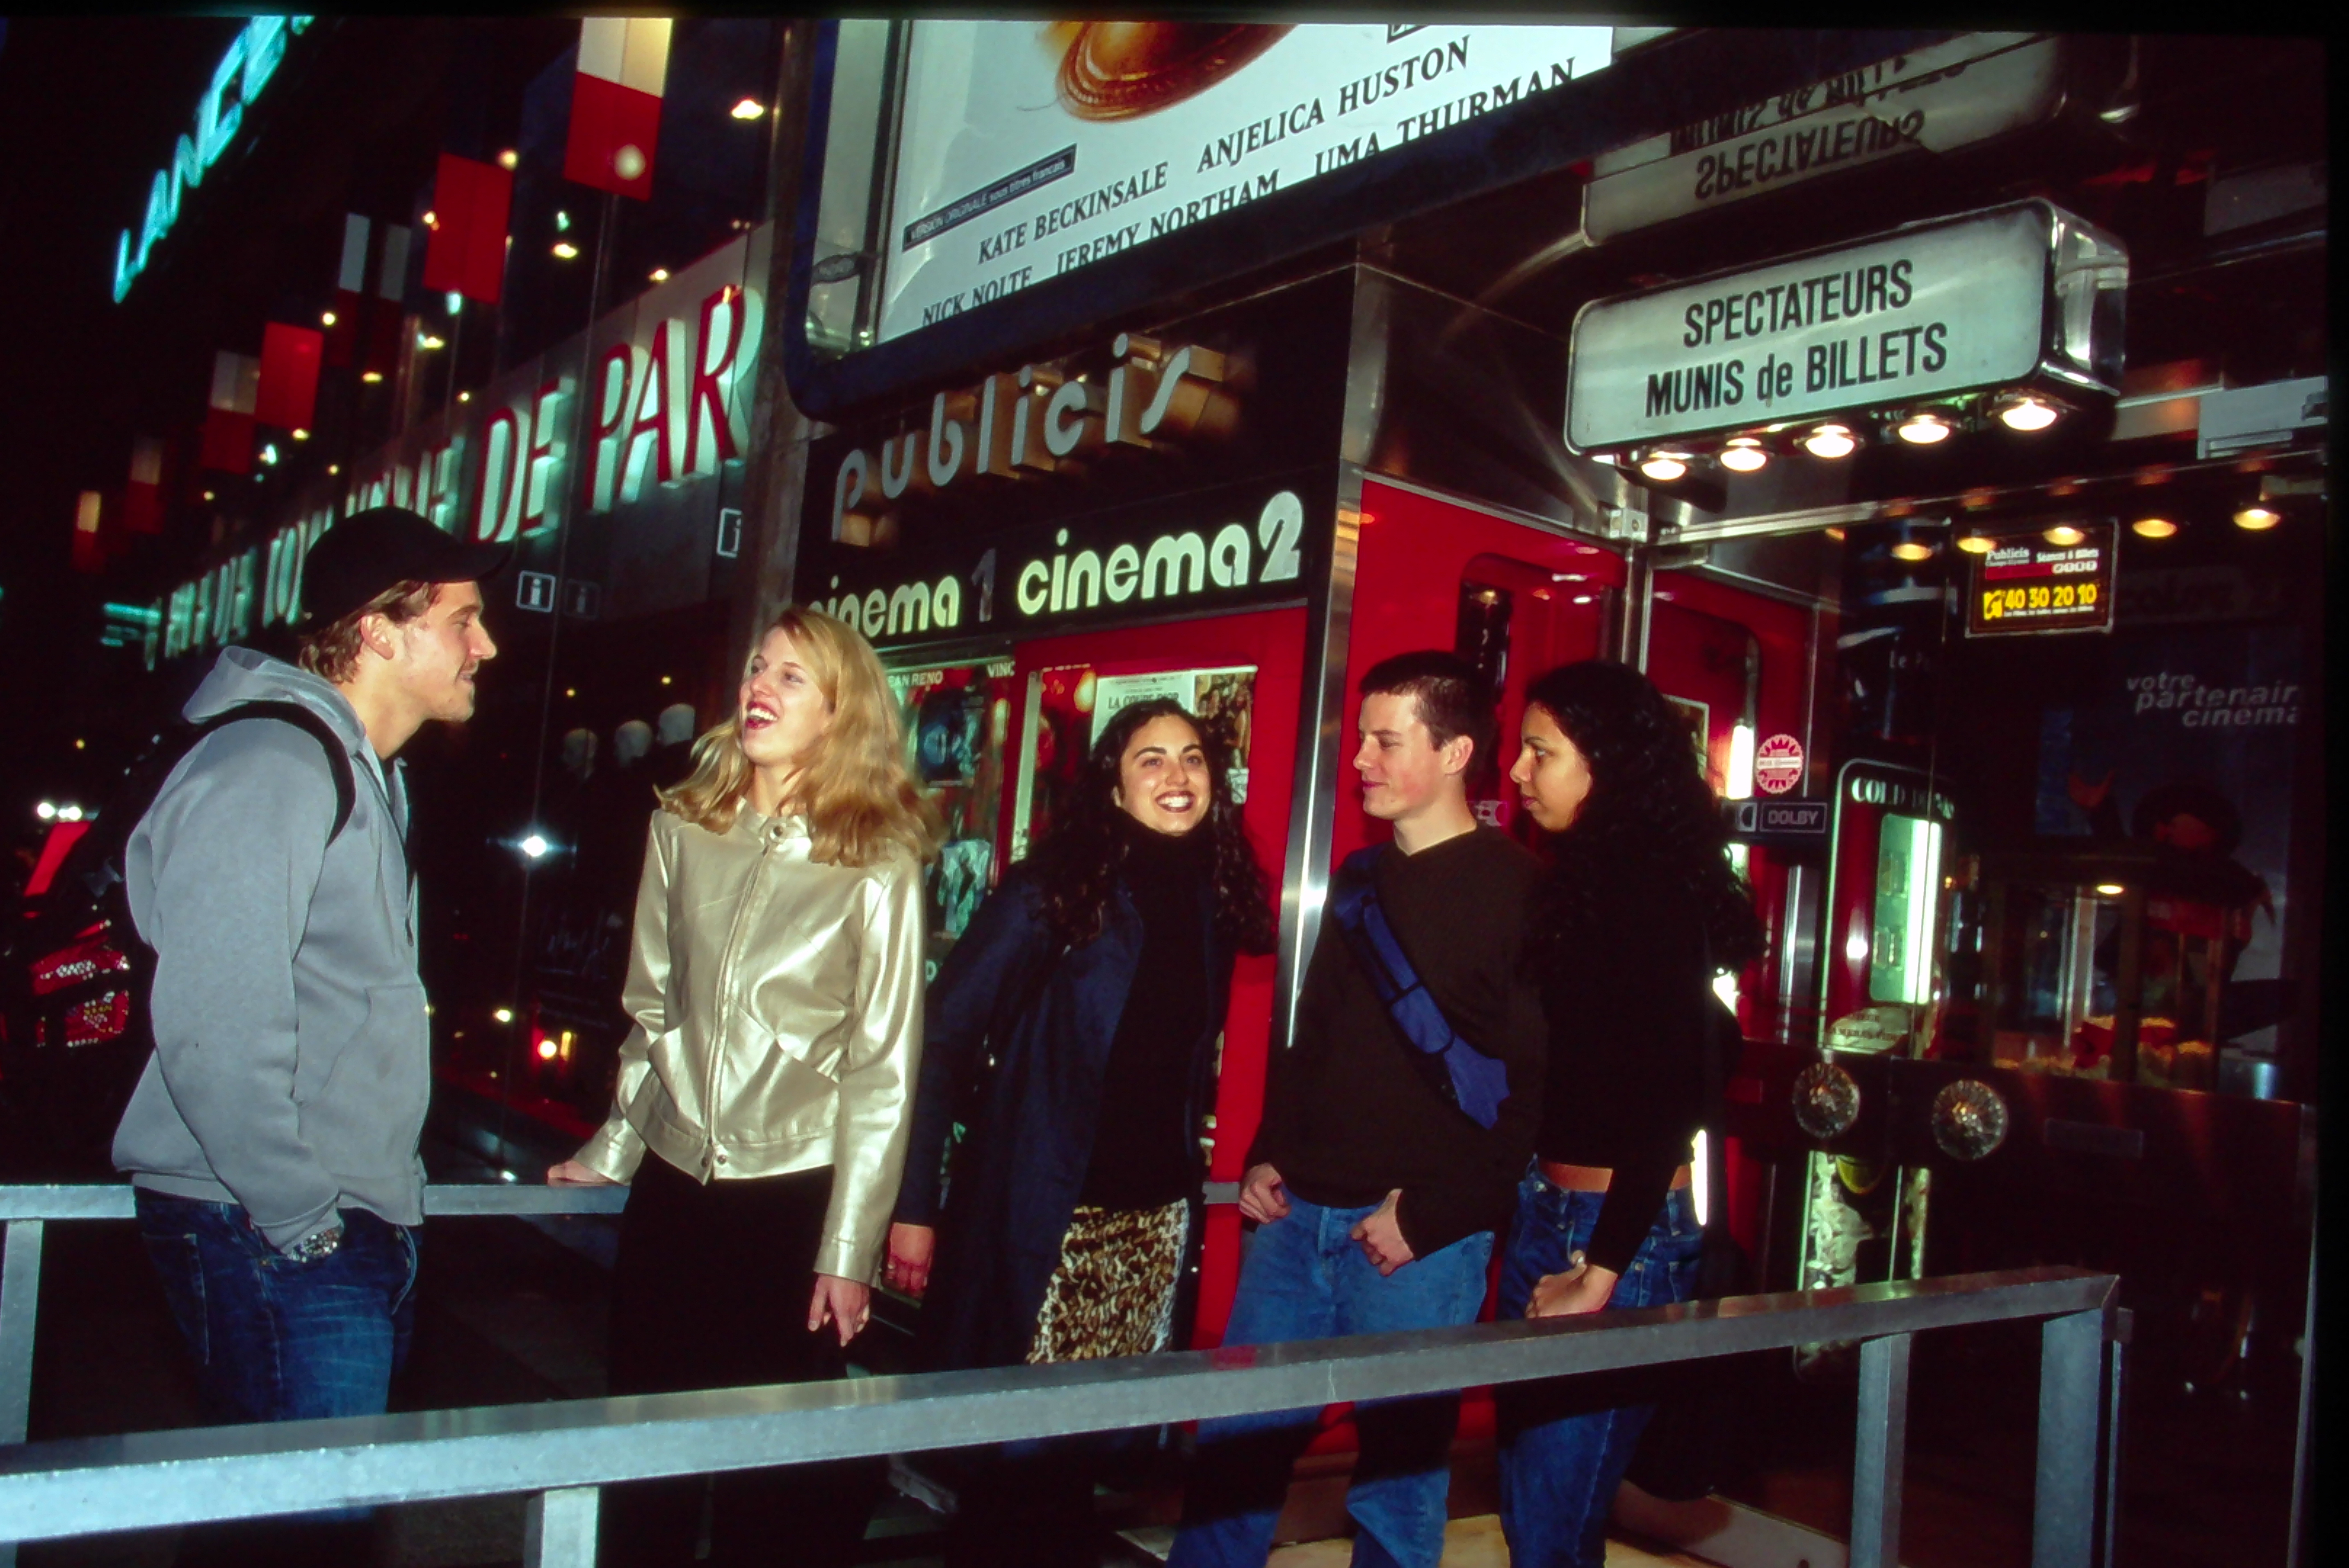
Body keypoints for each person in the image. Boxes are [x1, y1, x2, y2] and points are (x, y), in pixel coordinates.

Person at [114, 506, 505, 1559]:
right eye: (462, 620)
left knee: (282, 1531)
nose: (486, 645)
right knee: (299, 1539)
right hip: (269, 1218)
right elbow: (213, 1024)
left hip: (323, 1216)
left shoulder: (367, 772)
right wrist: (303, 1219)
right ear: (378, 630)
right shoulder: (274, 765)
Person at [547, 606, 935, 1568]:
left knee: (772, 1493)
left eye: (792, 676)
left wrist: (848, 1251)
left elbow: (883, 1073)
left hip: (793, 1204)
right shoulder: (682, 829)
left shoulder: (878, 864)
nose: (759, 686)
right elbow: (651, 1008)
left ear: (841, 711)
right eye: (758, 666)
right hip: (674, 1194)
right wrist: (614, 1146)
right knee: (645, 1465)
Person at [1168, 652, 1546, 1568]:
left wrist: (1431, 1217)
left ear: (1455, 752)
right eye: (1363, 740)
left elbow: (1536, 1095)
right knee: (1234, 1448)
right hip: (1295, 1220)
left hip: (1420, 1240)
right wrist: (1268, 1150)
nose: (1362, 760)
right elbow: (1315, 1032)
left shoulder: (1525, 893)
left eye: (1386, 740)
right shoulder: (1359, 876)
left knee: (1399, 1487)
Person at [884, 697, 1276, 1567]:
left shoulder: (1213, 899)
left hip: (1149, 1228)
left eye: (1193, 758)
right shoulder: (1050, 890)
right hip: (1044, 1221)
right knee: (1012, 1463)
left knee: (1085, 1458)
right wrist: (914, 1204)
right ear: (1112, 784)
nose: (1176, 776)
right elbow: (939, 1038)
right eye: (1150, 759)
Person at [1495, 659, 1763, 1568]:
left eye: (1541, 752)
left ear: (1604, 762)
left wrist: (1602, 1268)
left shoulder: (1646, 891)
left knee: (1552, 1523)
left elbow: (1667, 1099)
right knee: (1533, 1505)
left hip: (1616, 1232)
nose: (1518, 772)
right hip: (1553, 1211)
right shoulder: (1586, 881)